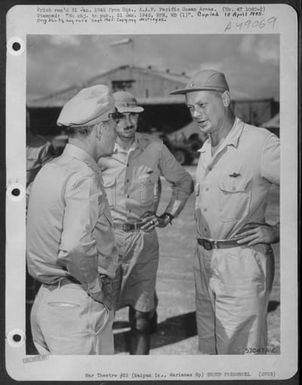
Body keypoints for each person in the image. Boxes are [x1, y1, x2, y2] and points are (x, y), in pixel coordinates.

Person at [170, 69, 280, 354]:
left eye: (203, 105)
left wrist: (278, 231)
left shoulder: (260, 143)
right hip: (204, 261)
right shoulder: (206, 147)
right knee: (209, 350)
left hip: (240, 264)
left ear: (227, 99)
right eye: (191, 108)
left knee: (240, 352)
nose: (195, 113)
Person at [98, 91, 194, 355]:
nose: (129, 123)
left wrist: (167, 216)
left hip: (144, 244)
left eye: (133, 116)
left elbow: (184, 182)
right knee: (102, 318)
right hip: (108, 246)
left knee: (141, 320)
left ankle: (140, 372)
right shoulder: (99, 153)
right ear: (109, 120)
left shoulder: (155, 148)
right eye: (121, 117)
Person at [26, 85, 120, 355]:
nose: (116, 132)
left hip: (47, 299)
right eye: (113, 124)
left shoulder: (50, 169)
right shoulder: (83, 177)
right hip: (76, 306)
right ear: (100, 129)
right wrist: (95, 288)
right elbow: (76, 247)